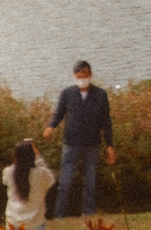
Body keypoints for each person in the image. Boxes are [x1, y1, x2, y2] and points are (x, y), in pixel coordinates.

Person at [45, 62, 116, 218]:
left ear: (90, 75)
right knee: (65, 182)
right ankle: (59, 215)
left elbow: (106, 121)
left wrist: (109, 145)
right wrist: (51, 126)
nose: (82, 80)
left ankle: (88, 213)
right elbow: (59, 113)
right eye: (78, 77)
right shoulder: (67, 93)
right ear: (74, 76)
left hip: (92, 145)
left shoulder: (100, 95)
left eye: (84, 76)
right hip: (71, 144)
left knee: (90, 183)